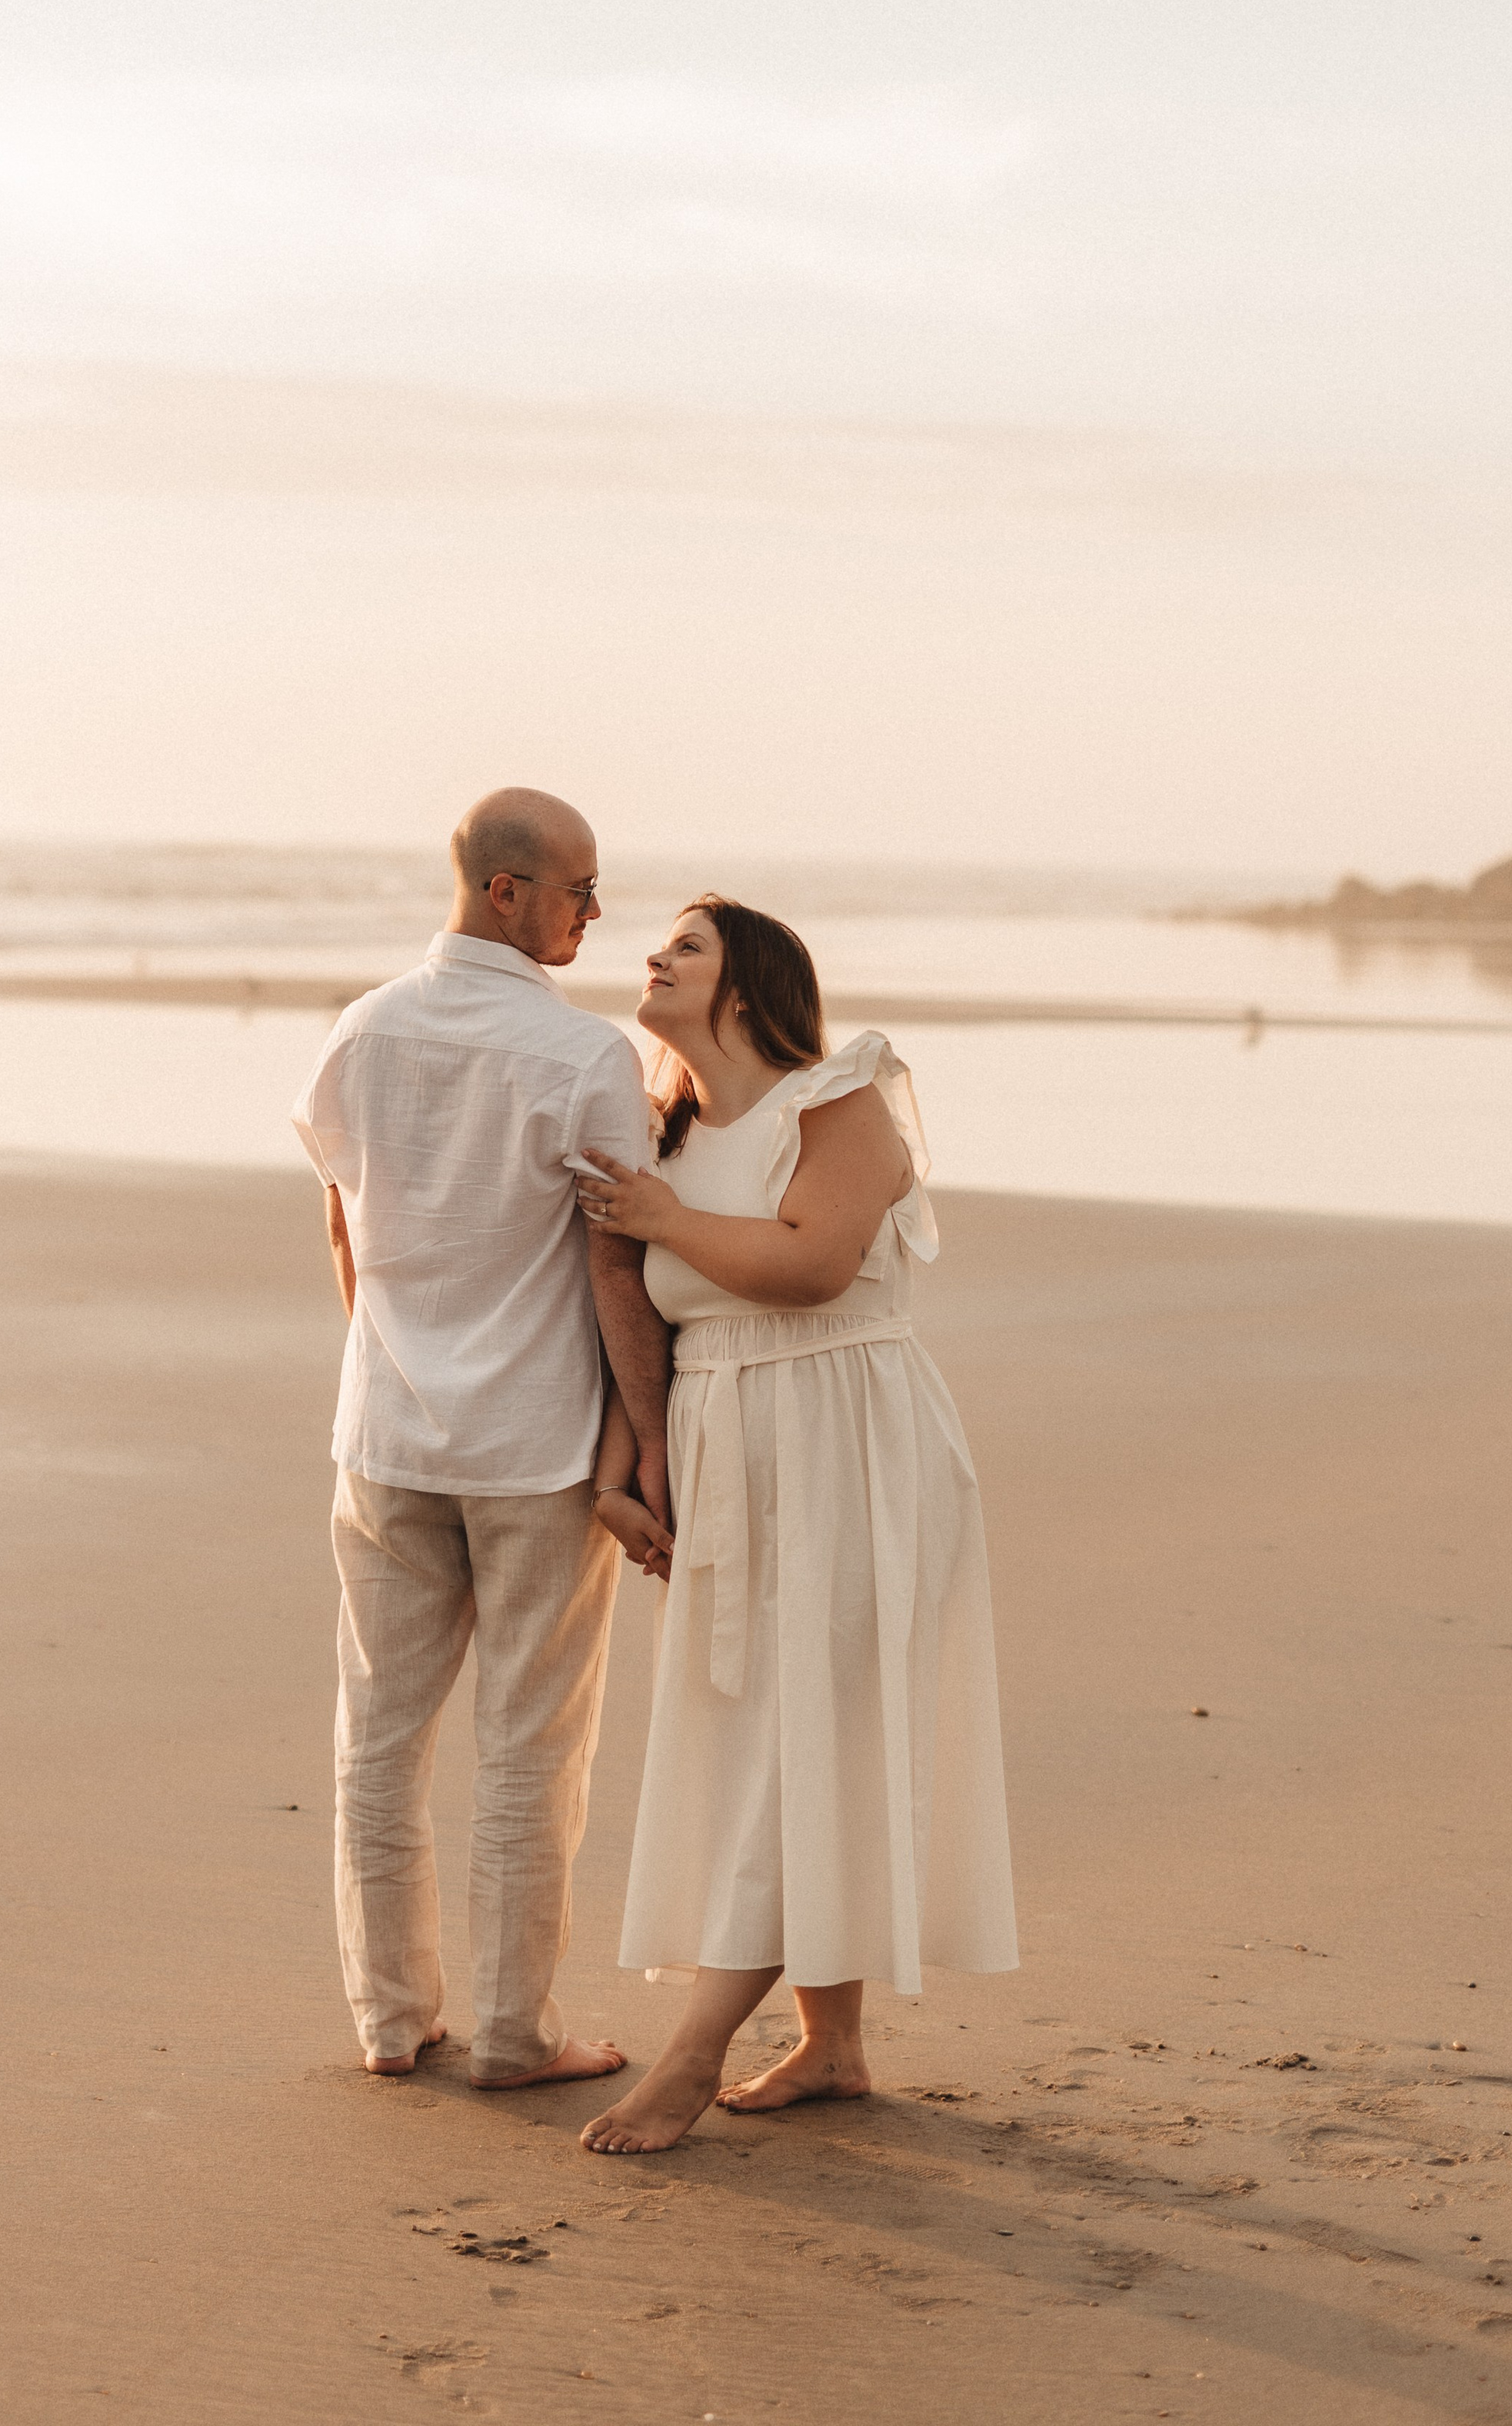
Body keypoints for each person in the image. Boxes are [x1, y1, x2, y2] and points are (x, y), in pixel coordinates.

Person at [571, 895, 1017, 2154]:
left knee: (799, 1739)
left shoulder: (839, 1098)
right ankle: (832, 2044)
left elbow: (815, 1265)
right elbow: (644, 1334)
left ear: (753, 983)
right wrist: (619, 1474)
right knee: (772, 1731)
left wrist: (662, 1222)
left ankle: (691, 2058)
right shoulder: (663, 1138)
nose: (653, 957)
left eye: (687, 946)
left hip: (852, 1437)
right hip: (724, 1444)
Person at [291, 789, 674, 2088]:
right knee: (530, 1749)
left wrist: (394, 1360)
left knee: (378, 1739)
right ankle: (518, 2035)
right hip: (537, 1451)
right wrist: (650, 1455)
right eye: (578, 887)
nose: (596, 910)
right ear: (505, 891)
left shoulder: (367, 1028)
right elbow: (620, 1270)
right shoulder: (583, 1059)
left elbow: (344, 1219)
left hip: (388, 1439)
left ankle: (392, 2022)